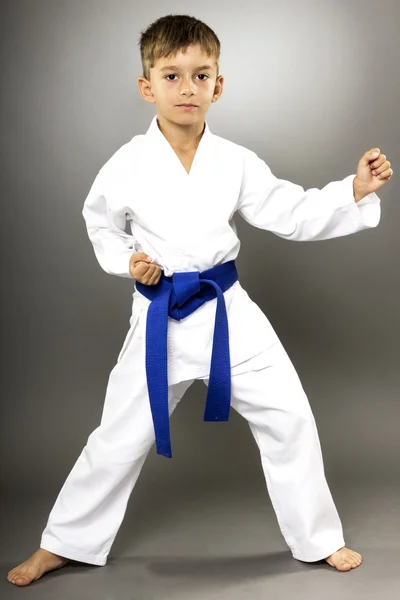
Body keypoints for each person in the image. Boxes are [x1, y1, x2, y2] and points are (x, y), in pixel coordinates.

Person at [7, 13, 393, 587]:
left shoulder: (234, 160)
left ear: (219, 85)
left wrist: (352, 192)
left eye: (200, 74)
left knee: (291, 417)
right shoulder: (128, 164)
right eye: (171, 75)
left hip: (226, 312)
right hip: (159, 315)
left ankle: (318, 538)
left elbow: (288, 210)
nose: (187, 88)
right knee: (116, 437)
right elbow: (101, 228)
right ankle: (64, 543)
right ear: (147, 87)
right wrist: (128, 261)